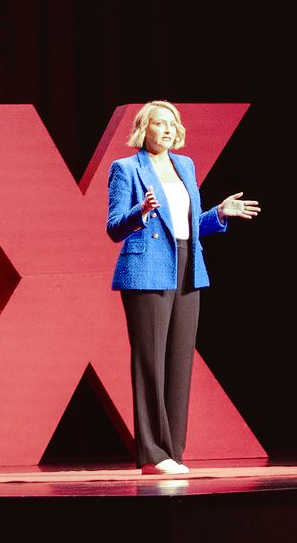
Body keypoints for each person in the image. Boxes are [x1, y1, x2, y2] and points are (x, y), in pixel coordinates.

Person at [106, 101, 260, 475]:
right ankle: (153, 455)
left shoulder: (185, 165)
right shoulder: (126, 168)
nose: (169, 129)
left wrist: (219, 214)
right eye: (160, 123)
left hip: (188, 266)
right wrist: (140, 212)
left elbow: (189, 225)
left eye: (174, 124)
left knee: (179, 361)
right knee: (150, 363)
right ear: (145, 128)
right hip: (146, 268)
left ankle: (173, 451)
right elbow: (113, 228)